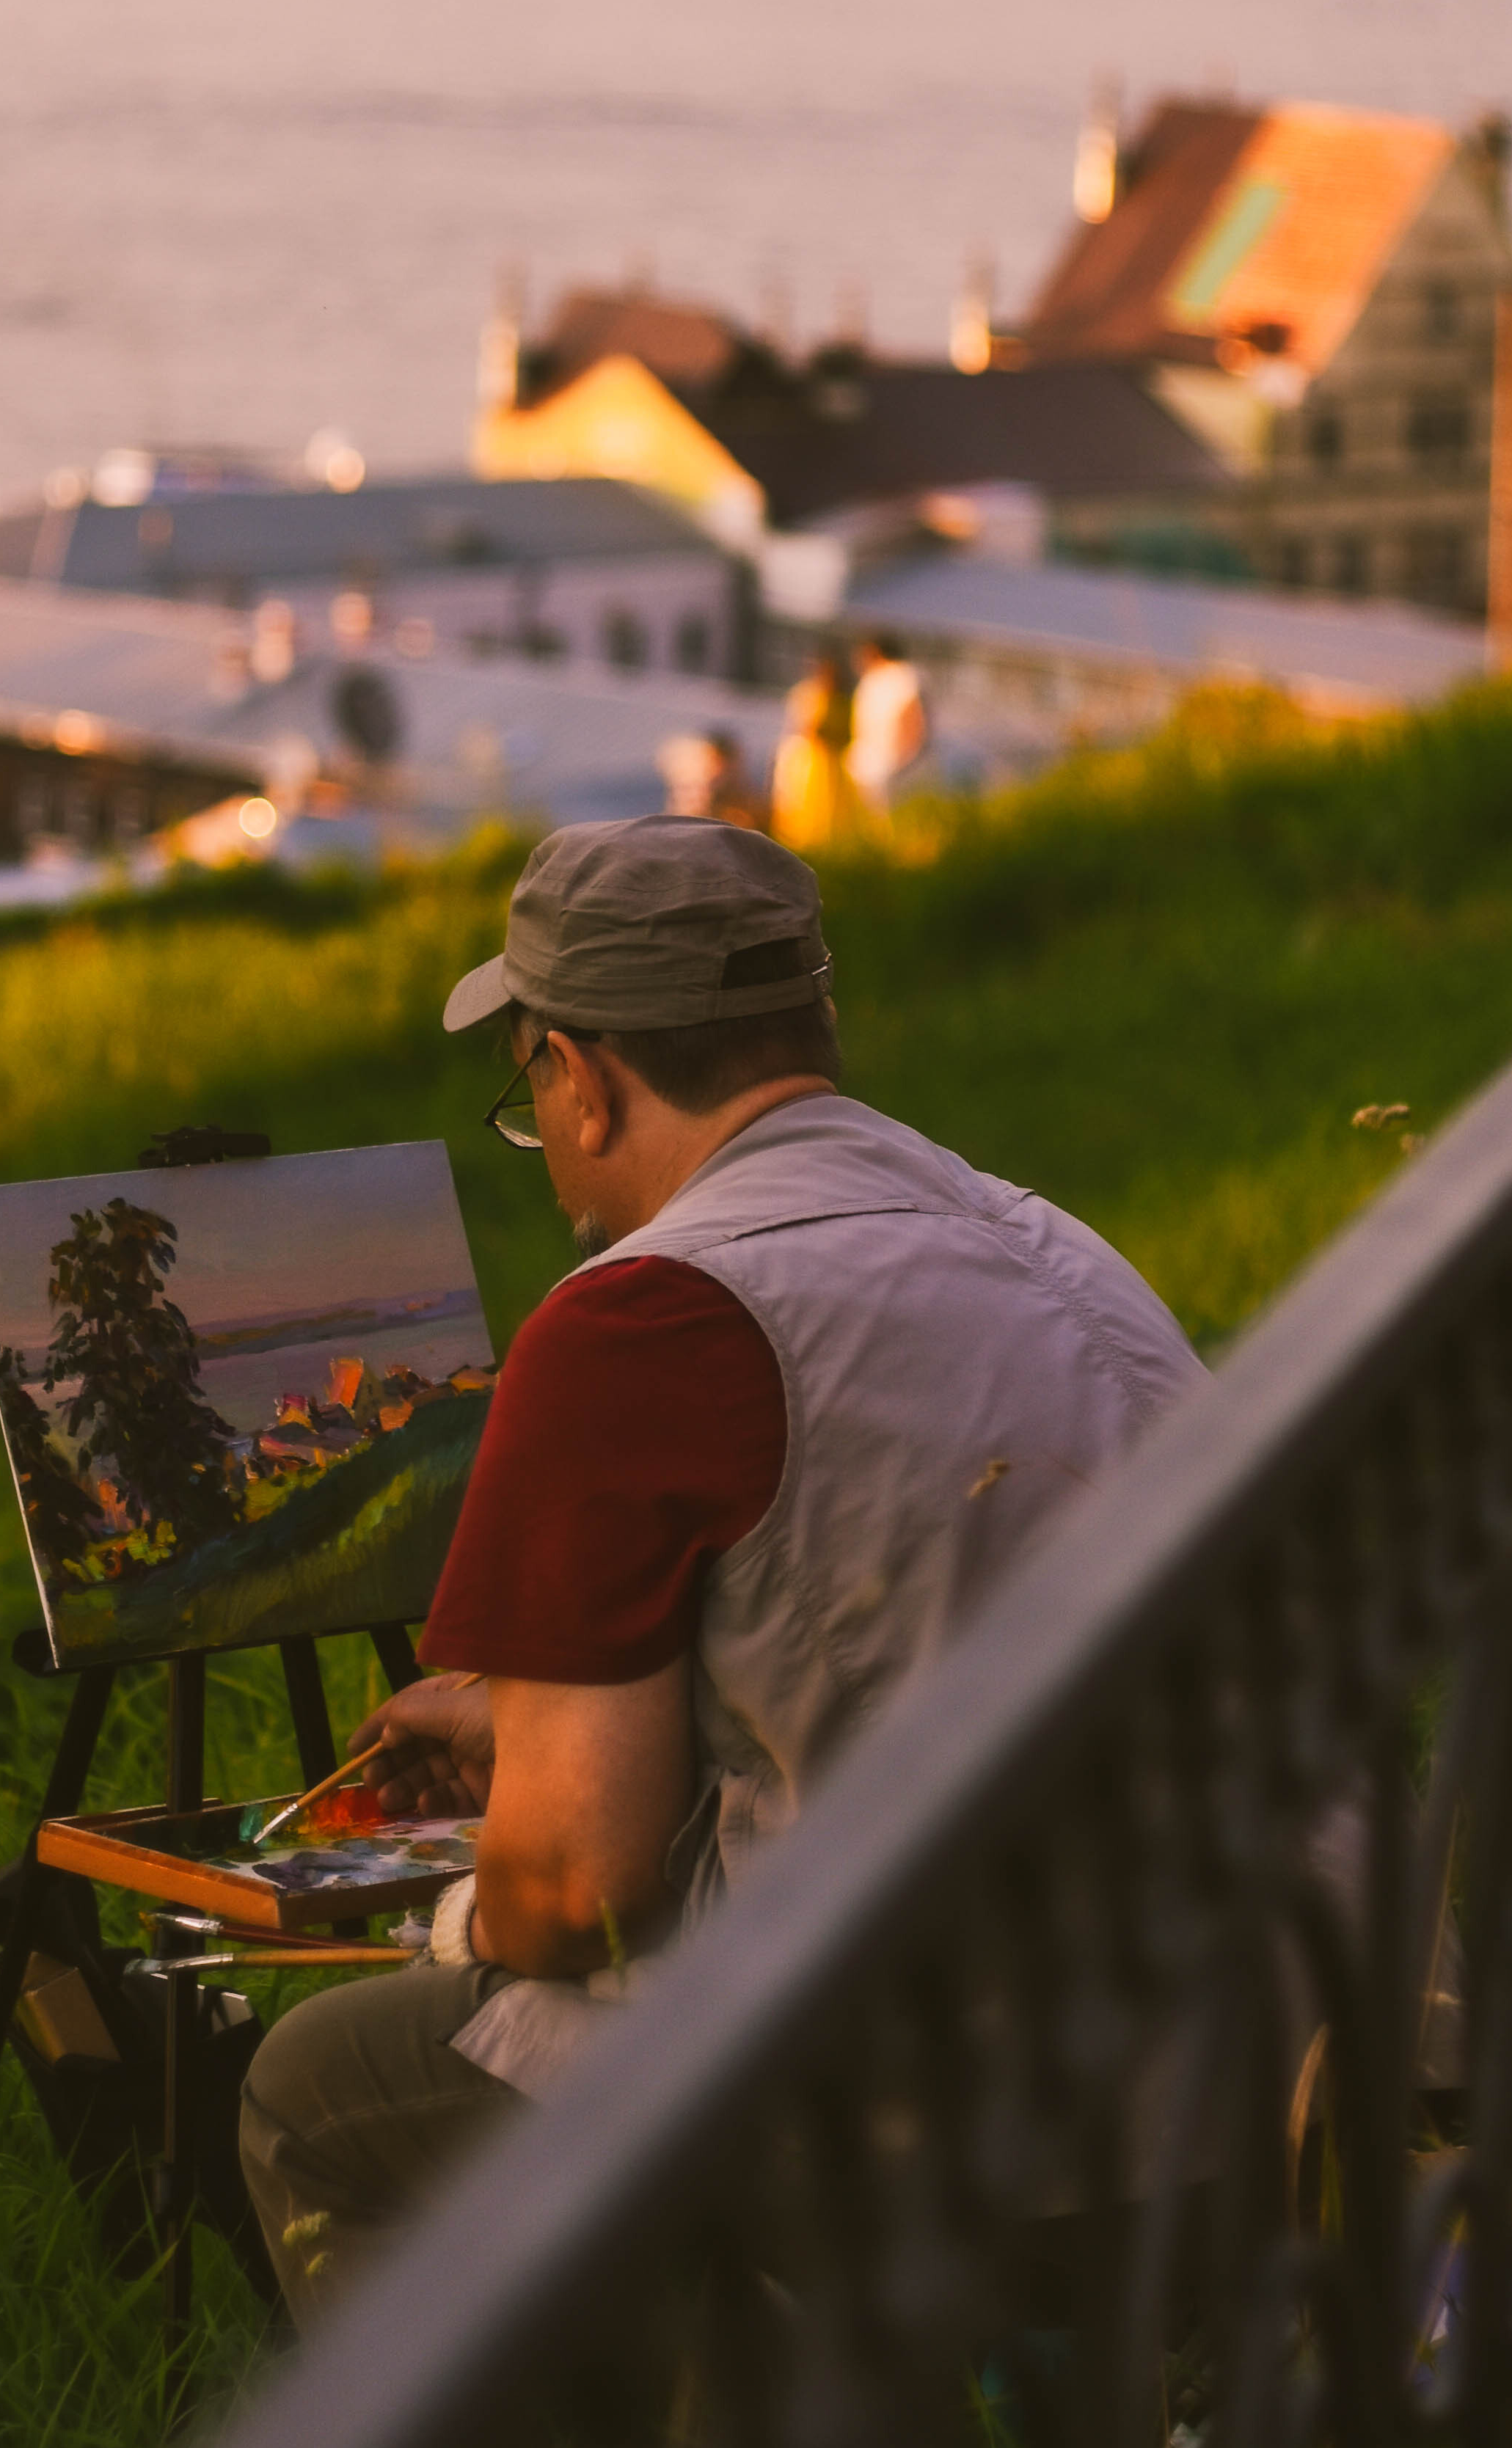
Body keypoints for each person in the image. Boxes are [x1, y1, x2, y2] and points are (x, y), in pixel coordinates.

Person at [235, 816, 1206, 2318]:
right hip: (1295, 2040)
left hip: (1019, 2122)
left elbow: (573, 1891)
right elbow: (923, 1643)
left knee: (316, 2089)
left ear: (585, 1078)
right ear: (804, 1029)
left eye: (531, 1088)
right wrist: (526, 1722)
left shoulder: (645, 1319)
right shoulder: (1046, 1241)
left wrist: (456, 1922)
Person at [769, 648, 855, 844]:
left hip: (831, 763)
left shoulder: (842, 702)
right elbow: (802, 727)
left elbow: (847, 733)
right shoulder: (807, 695)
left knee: (830, 812)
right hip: (808, 762)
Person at [845, 631, 931, 814]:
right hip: (869, 768)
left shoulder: (903, 676)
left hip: (893, 769)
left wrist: (902, 762)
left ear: (875, 651)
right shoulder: (871, 679)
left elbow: (915, 722)